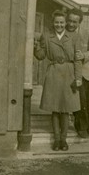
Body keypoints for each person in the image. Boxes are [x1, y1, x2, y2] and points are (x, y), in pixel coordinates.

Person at [34, 10, 82, 151]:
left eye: (61, 22)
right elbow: (41, 56)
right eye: (56, 22)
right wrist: (35, 46)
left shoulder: (74, 37)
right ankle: (56, 140)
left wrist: (78, 78)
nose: (59, 25)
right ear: (53, 23)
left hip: (69, 73)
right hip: (54, 73)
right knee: (55, 109)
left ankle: (64, 140)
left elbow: (78, 60)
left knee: (66, 110)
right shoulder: (47, 36)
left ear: (65, 22)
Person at [66, 8, 89, 138]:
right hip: (73, 74)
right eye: (70, 21)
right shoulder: (65, 34)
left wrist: (83, 55)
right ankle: (81, 127)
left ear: (80, 22)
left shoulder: (88, 33)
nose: (71, 24)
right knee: (79, 102)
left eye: (75, 22)